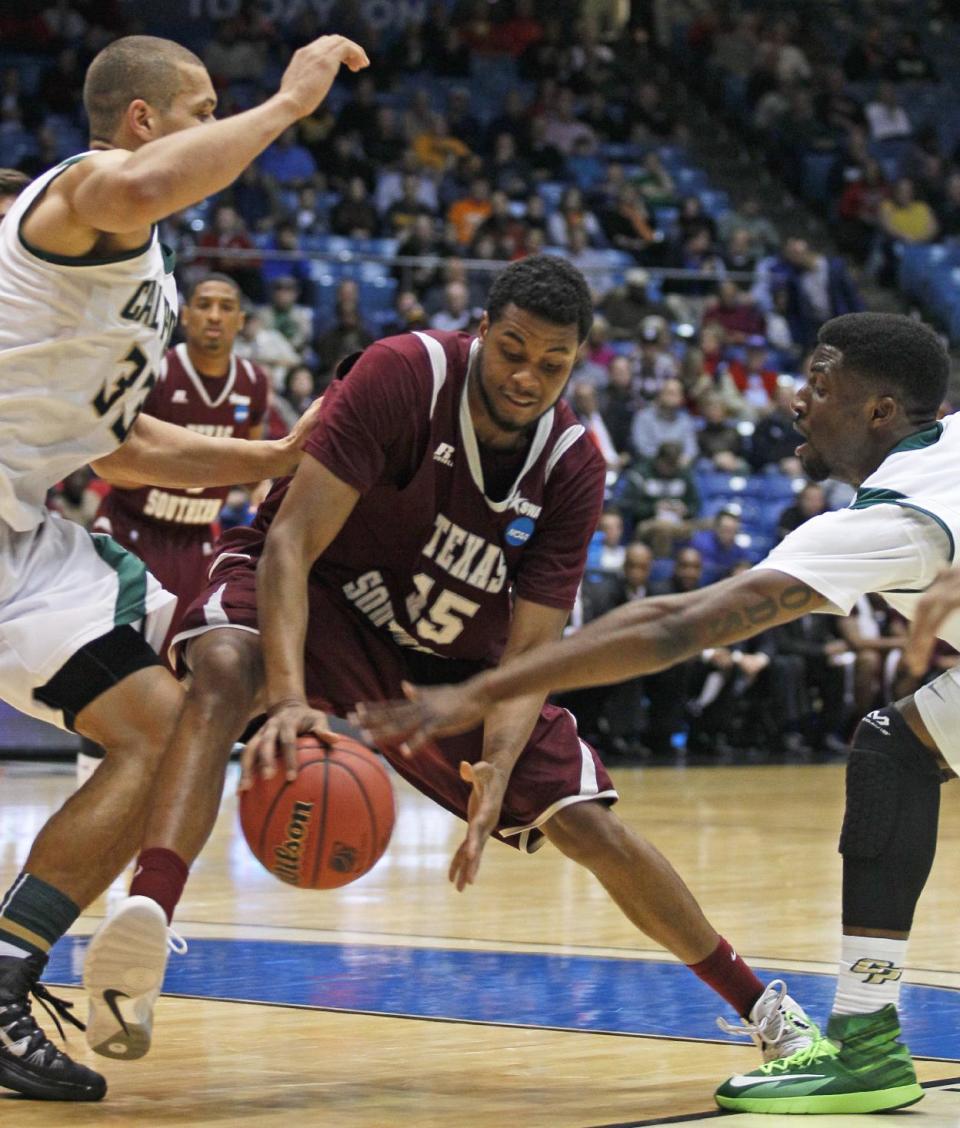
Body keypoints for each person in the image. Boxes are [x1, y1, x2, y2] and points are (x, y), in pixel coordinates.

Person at [89, 255, 813, 1081]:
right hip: (319, 596)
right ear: (481, 333)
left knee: (585, 821)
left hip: (443, 670)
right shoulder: (402, 373)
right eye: (513, 349)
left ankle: (763, 1007)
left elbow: (532, 649)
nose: (527, 375)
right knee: (223, 669)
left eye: (553, 362)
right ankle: (149, 919)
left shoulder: (573, 466)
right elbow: (291, 541)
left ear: (577, 361)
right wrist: (287, 697)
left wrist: (498, 767)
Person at [356, 311, 958, 1114]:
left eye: (819, 383)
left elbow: (676, 626)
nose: (796, 399)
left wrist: (482, 689)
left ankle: (867, 1042)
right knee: (894, 748)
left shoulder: (896, 525)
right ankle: (868, 1040)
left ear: (881, 411)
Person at [0, 30, 368, 1102]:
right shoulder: (86, 193)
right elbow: (155, 178)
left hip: (21, 532)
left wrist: (277, 458)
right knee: (168, 723)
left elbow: (117, 442)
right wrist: (290, 104)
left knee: (175, 723)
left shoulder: (133, 266)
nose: (217, 127)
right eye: (203, 109)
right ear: (143, 119)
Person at [78, 272, 273, 784]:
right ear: (184, 316)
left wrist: (262, 497)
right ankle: (88, 783)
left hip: (197, 543)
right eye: (203, 304)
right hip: (131, 531)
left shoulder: (253, 382)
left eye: (224, 306)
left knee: (181, 680)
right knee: (107, 673)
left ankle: (158, 797)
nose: (213, 315)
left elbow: (256, 463)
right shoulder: (157, 371)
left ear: (240, 321)